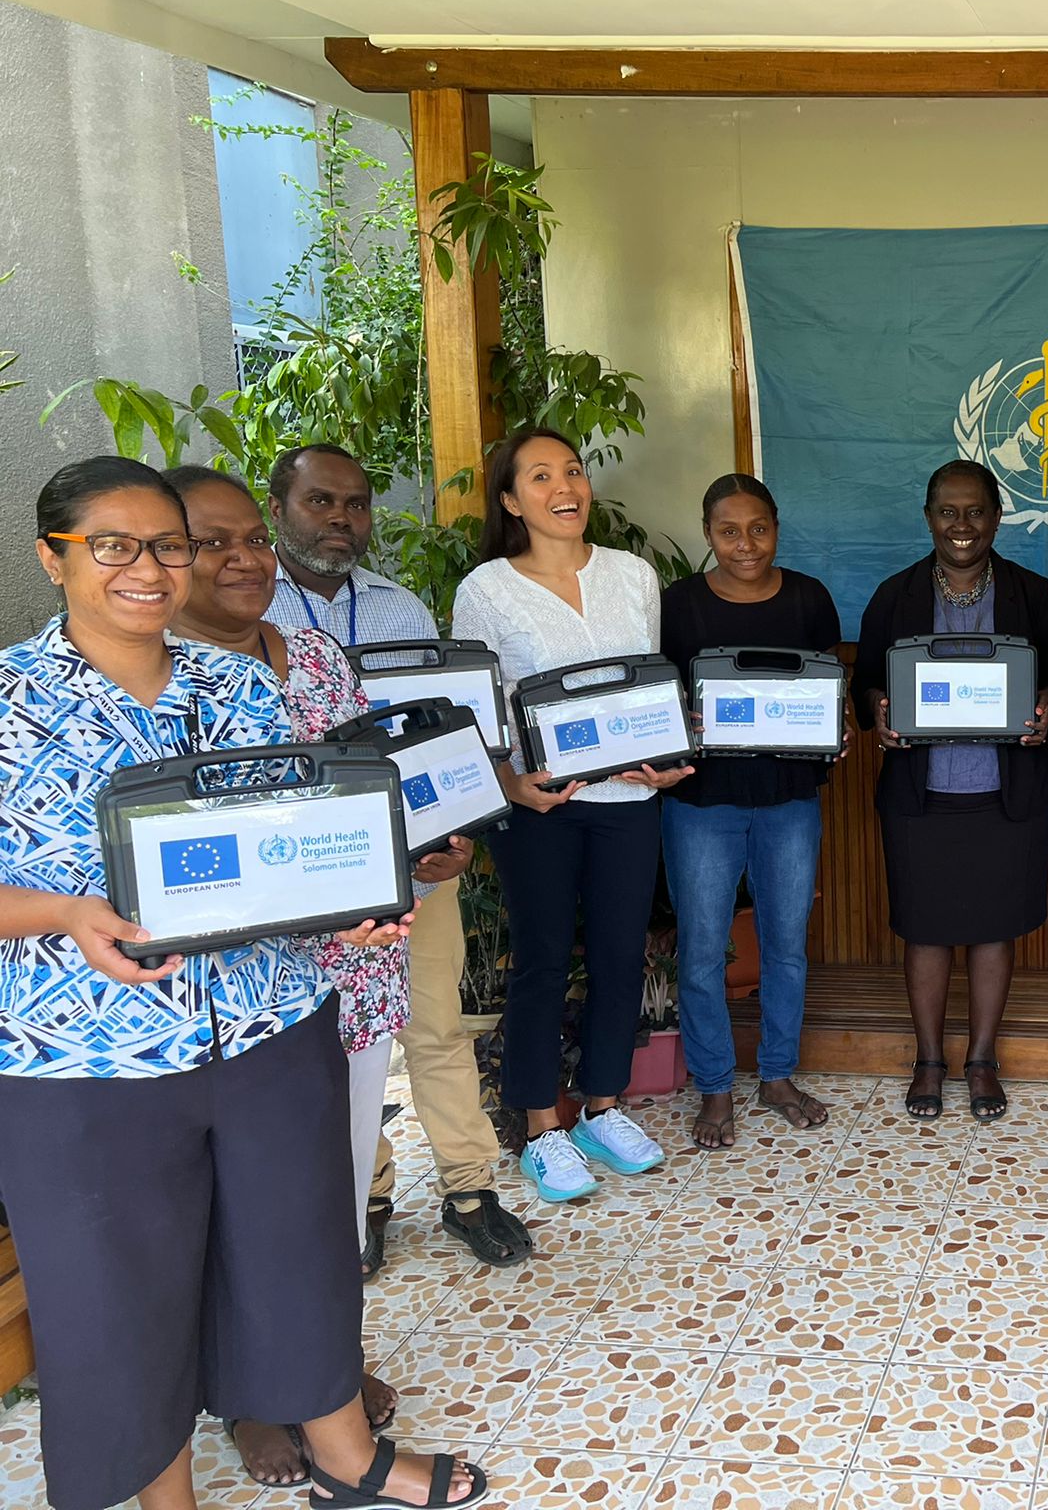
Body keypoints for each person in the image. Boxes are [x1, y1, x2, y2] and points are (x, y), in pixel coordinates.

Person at [0, 457, 481, 1510]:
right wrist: (65, 914)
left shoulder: (240, 684)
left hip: (269, 1026)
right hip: (89, 1057)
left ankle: (346, 1458)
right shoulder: (8, 701)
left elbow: (301, 842)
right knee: (120, 1295)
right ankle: (161, 1497)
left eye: (166, 545)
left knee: (299, 1249)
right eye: (113, 546)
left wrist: (358, 898)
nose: (149, 567)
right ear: (54, 556)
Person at [165, 464, 474, 1489]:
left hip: (353, 970)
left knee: (329, 1182)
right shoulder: (153, 675)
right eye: (214, 542)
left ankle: (322, 1369)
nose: (245, 558)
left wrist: (417, 847)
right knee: (234, 1198)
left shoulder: (310, 654)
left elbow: (356, 788)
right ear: (169, 556)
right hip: (231, 996)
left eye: (251, 537)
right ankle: (251, 1394)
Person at [265, 442, 532, 1271]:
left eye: (356, 504)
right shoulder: (244, 607)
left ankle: (467, 1189)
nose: (342, 520)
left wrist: (454, 837)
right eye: (321, 502)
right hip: (315, 875)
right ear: (278, 508)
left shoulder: (400, 606)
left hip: (417, 859)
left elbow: (441, 735)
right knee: (344, 1044)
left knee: (438, 1023)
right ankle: (369, 1190)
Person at [452, 429, 688, 1201]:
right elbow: (472, 712)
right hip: (541, 807)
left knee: (623, 955)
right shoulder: (486, 588)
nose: (566, 487)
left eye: (575, 471)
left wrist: (660, 758)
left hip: (629, 801)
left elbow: (645, 687)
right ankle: (540, 1127)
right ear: (512, 500)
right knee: (542, 961)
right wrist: (510, 786)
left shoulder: (632, 575)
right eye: (542, 476)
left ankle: (602, 1105)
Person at [853, 459, 1048, 1122]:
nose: (962, 525)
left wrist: (1047, 710)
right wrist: (881, 714)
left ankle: (980, 1059)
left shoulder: (1034, 595)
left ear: (997, 517)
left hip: (1007, 792)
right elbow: (866, 684)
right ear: (928, 518)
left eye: (975, 511)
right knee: (925, 927)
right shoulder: (895, 596)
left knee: (993, 928)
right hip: (924, 793)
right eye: (948, 511)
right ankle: (927, 1060)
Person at [659, 474, 840, 1148]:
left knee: (786, 947)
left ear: (776, 528)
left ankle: (777, 1075)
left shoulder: (809, 599)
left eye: (758, 528)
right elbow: (659, 701)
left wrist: (837, 729)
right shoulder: (678, 606)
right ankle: (714, 1087)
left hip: (790, 798)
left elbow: (826, 693)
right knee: (703, 950)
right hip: (701, 801)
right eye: (729, 531)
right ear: (708, 534)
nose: (745, 544)